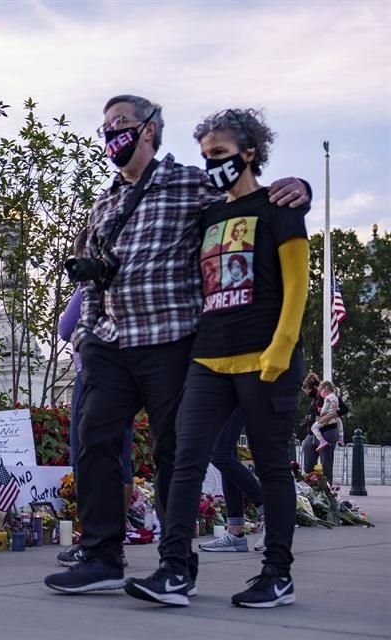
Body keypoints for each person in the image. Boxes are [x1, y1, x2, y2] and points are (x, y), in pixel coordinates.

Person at [43, 96, 309, 595]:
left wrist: (301, 186)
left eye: (120, 123)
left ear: (150, 129)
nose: (111, 133)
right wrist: (85, 335)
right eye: (104, 126)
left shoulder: (191, 182)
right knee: (96, 442)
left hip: (172, 341)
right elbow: (90, 279)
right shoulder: (104, 203)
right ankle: (102, 557)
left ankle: (182, 563)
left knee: (175, 455)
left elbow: (252, 200)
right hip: (112, 343)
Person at [125, 108, 309, 608]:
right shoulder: (208, 213)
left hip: (266, 356)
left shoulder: (279, 207)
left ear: (249, 153)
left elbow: (298, 284)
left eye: (222, 155)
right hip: (209, 357)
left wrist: (282, 346)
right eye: (206, 157)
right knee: (184, 461)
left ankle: (277, 575)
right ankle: (175, 570)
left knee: (272, 467)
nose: (213, 165)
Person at [57, 229, 136, 568]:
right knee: (120, 459)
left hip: (93, 376)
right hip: (125, 374)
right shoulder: (125, 279)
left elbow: (66, 328)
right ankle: (113, 542)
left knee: (88, 456)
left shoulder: (92, 285)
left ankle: (97, 541)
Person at [198, 409, 266, 553]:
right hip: (221, 395)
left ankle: (271, 516)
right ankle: (235, 533)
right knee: (227, 455)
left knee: (221, 455)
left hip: (237, 392)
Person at [300, 373, 347, 483]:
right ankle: (311, 487)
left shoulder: (329, 396)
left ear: (315, 388)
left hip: (327, 432)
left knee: (326, 465)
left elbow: (344, 409)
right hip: (312, 434)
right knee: (307, 465)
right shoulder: (313, 400)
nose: (307, 393)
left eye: (308, 390)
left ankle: (327, 491)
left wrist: (331, 415)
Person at [310, 380, 344, 451]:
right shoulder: (335, 396)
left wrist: (321, 412)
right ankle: (341, 438)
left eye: (321, 390)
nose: (321, 392)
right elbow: (335, 407)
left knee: (314, 427)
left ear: (326, 388)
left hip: (327, 418)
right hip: (335, 416)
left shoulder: (327, 398)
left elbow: (324, 411)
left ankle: (322, 441)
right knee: (340, 425)